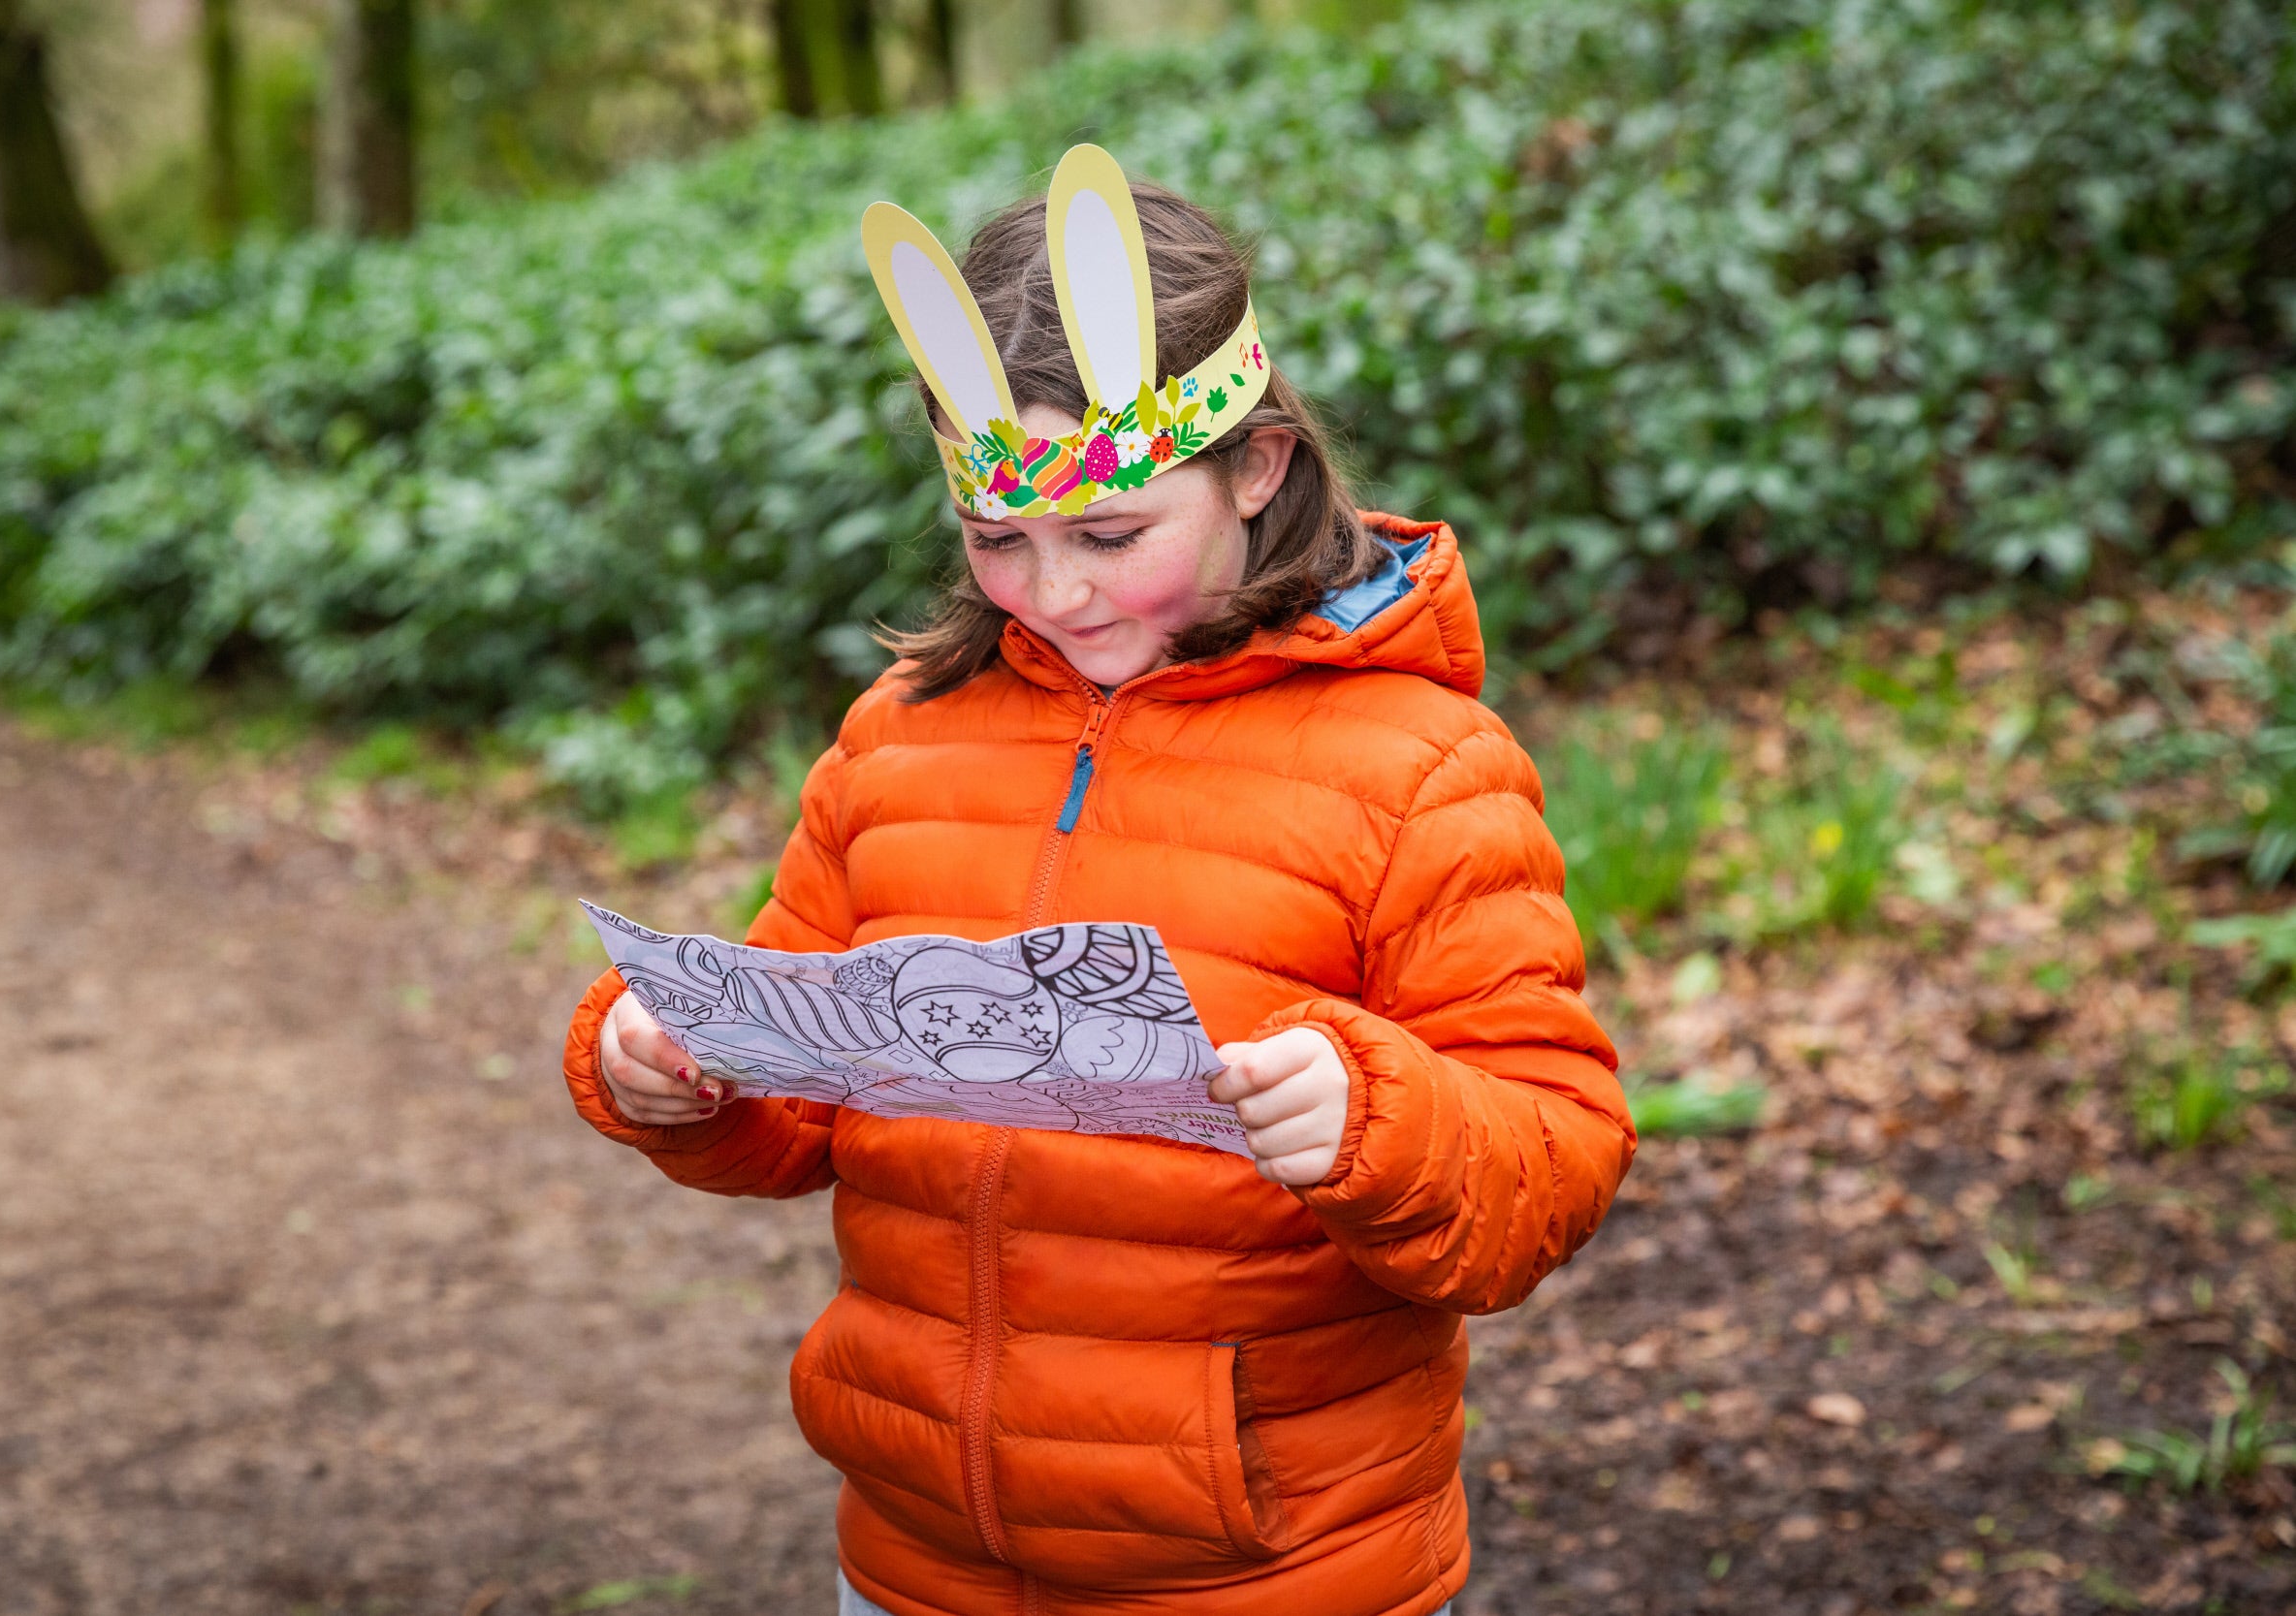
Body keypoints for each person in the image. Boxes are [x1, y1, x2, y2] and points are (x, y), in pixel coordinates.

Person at [561, 147, 1635, 1616]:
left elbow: (1553, 1164)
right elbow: (798, 1105)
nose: (1055, 593)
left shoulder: (1418, 769)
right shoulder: (900, 740)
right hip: (917, 1559)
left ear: (1255, 467)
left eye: (1112, 534)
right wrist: (673, 1069)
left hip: (1268, 1571)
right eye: (995, 541)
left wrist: (1377, 1120)